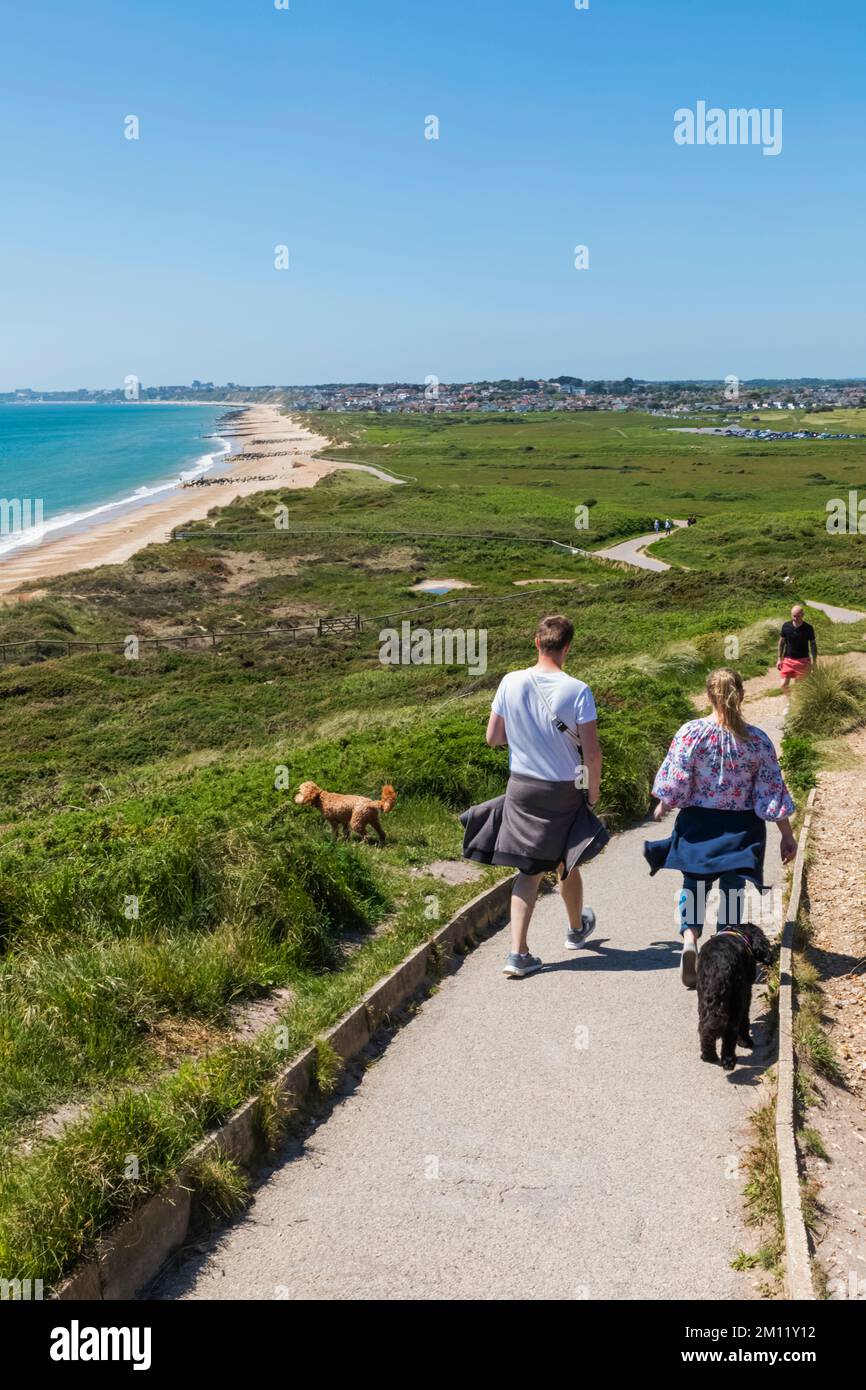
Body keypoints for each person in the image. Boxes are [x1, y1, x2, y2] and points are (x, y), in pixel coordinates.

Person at [460, 614, 609, 978]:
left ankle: (520, 953)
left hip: (521, 787)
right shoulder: (578, 690)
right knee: (566, 857)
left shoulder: (510, 682)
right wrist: (593, 792)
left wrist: (528, 738)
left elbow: (493, 738)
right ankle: (573, 931)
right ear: (568, 647)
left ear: (536, 642)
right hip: (563, 788)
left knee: (529, 869)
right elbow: (591, 753)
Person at [644, 668, 796, 988]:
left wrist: (664, 803)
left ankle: (689, 939)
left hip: (698, 823)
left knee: (695, 886)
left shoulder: (691, 733)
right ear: (740, 695)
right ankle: (726, 956)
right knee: (732, 891)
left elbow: (678, 777)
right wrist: (786, 834)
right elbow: (771, 790)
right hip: (741, 829)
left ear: (708, 695)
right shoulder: (757, 740)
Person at [778, 604, 817, 690]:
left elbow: (813, 645)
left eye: (798, 616)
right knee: (783, 685)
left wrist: (814, 662)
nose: (795, 618)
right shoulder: (786, 626)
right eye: (794, 616)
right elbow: (781, 643)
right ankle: (791, 701)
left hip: (803, 660)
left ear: (803, 615)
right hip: (788, 660)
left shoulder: (808, 628)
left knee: (798, 687)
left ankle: (796, 703)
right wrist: (779, 659)